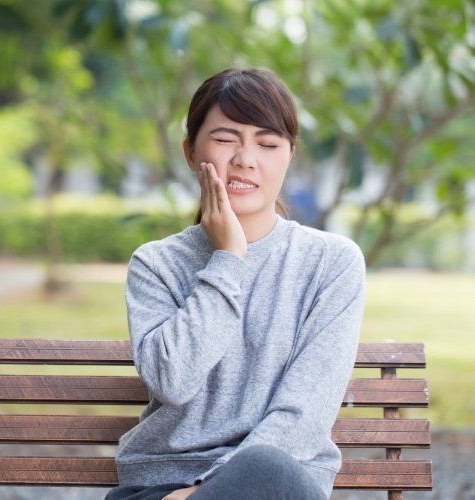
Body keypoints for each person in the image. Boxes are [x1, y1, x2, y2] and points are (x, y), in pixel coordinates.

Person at [105, 67, 366, 500]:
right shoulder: (156, 265)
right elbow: (173, 382)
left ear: (289, 155)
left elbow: (302, 418)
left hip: (275, 486)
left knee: (267, 469)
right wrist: (228, 258)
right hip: (160, 484)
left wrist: (205, 491)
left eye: (267, 143)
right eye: (226, 139)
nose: (245, 158)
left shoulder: (332, 263)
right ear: (190, 152)